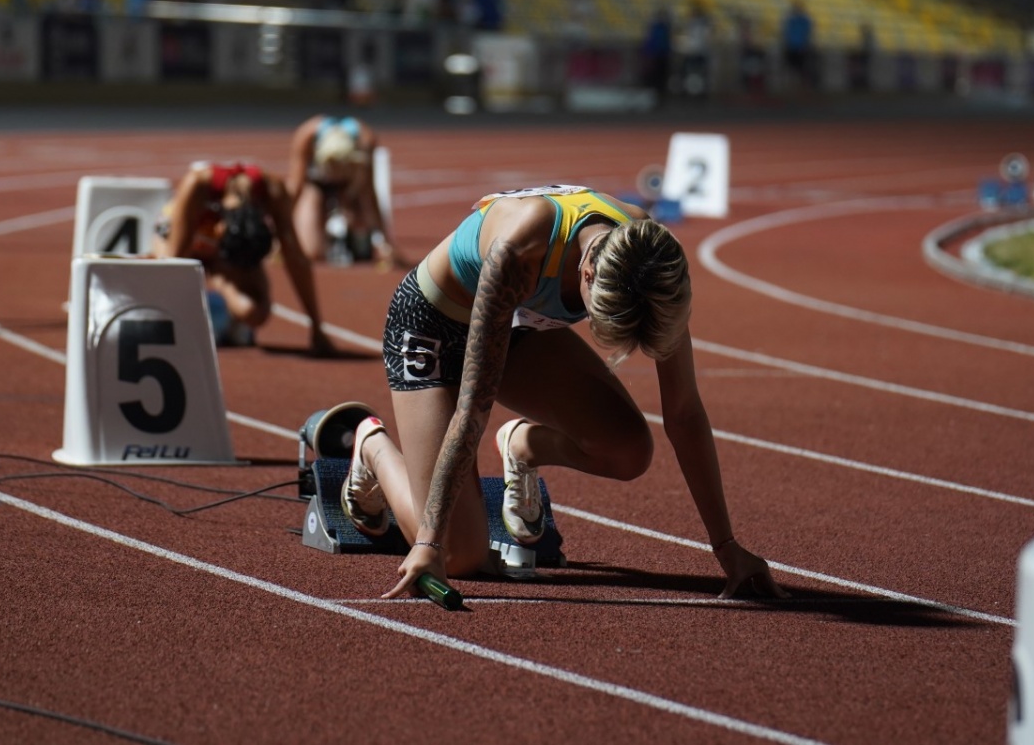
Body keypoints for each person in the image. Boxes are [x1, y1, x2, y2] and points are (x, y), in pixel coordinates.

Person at [336, 183, 785, 600]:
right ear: (587, 270)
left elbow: (684, 413)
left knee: (627, 449)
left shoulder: (653, 264)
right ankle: (372, 447)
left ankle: (521, 445)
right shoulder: (519, 251)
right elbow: (472, 409)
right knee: (461, 557)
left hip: (517, 326)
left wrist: (726, 547)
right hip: (432, 328)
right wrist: (430, 542)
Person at [153, 161, 336, 354]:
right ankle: (211, 311)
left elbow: (296, 259)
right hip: (181, 239)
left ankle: (220, 295)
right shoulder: (197, 184)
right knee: (168, 277)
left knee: (254, 313)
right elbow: (173, 258)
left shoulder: (273, 190)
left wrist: (316, 326)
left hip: (224, 256)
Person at [283, 114, 406, 267]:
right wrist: (281, 233)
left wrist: (385, 242)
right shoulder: (306, 136)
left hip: (350, 188)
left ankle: (351, 235)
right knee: (312, 250)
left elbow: (369, 196)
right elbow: (294, 189)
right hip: (315, 187)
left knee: (362, 252)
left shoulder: (365, 140)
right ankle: (325, 234)